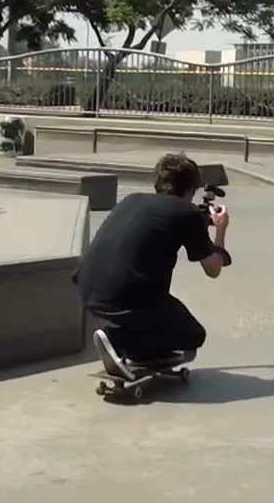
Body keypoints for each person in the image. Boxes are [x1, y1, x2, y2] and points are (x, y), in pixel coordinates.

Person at [74, 152, 232, 378]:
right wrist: (220, 229)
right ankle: (124, 342)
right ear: (191, 189)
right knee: (194, 335)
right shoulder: (187, 213)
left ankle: (120, 336)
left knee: (154, 309)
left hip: (87, 292)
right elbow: (213, 269)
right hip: (128, 300)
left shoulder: (131, 200)